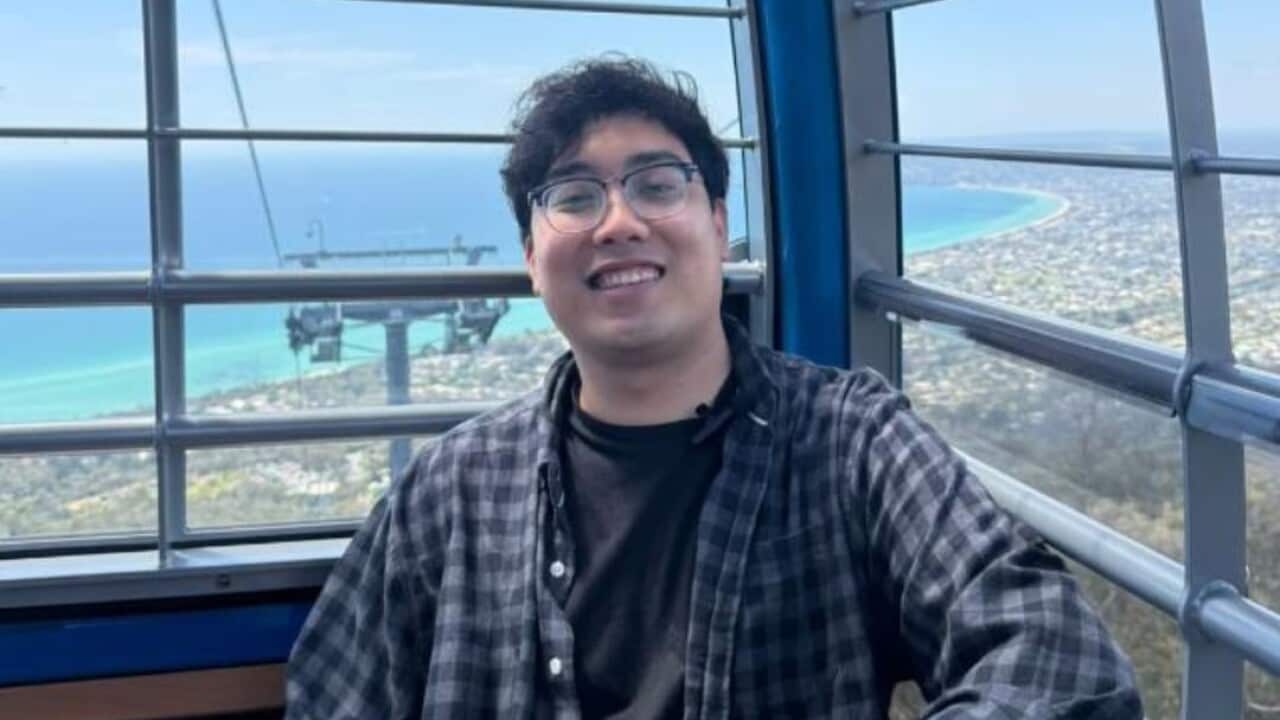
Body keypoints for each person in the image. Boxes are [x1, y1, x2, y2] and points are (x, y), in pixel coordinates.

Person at [286, 57, 1143, 719]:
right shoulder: (450, 492)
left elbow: (1057, 656)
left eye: (659, 184)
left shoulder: (852, 444)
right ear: (530, 260)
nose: (619, 222)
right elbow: (332, 693)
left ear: (721, 227)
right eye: (574, 197)